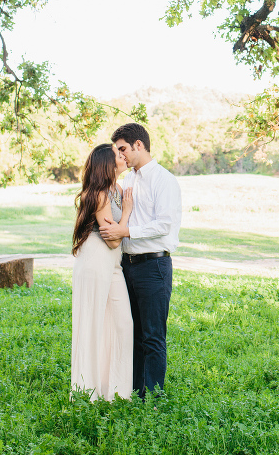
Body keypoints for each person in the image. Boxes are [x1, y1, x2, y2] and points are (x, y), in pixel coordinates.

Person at [99, 122, 181, 398]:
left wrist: (127, 231)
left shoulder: (164, 179)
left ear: (138, 145)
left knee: (153, 336)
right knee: (131, 333)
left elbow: (164, 224)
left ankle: (154, 399)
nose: (120, 156)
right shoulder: (127, 180)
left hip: (154, 265)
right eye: (116, 152)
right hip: (127, 266)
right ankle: (135, 393)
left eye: (122, 149)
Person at [70, 143, 135, 401]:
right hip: (96, 260)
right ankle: (87, 392)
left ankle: (116, 392)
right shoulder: (98, 195)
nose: (123, 156)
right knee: (92, 325)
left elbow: (116, 236)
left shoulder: (117, 189)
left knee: (122, 324)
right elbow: (113, 240)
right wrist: (127, 213)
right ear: (107, 164)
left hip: (113, 264)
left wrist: (121, 223)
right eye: (117, 154)